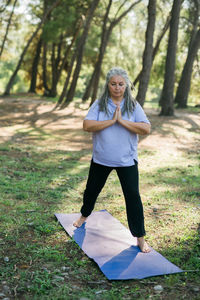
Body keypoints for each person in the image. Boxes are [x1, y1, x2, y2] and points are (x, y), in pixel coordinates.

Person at [73, 67, 151, 253]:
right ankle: (84, 215)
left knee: (133, 197)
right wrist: (111, 121)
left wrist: (122, 121)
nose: (117, 87)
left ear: (127, 86)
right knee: (91, 190)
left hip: (127, 160)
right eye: (113, 84)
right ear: (108, 85)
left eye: (121, 84)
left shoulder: (133, 105)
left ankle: (140, 237)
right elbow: (87, 125)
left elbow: (146, 128)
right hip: (101, 158)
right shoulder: (100, 104)